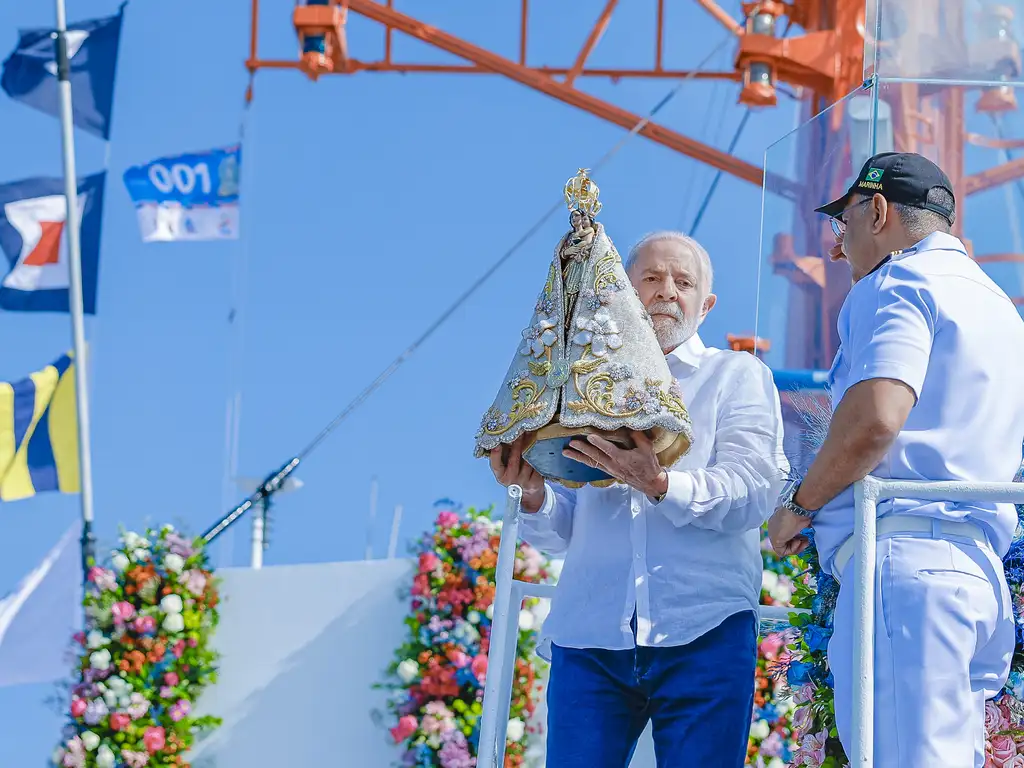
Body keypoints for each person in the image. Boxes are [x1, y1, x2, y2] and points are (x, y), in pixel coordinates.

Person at [489, 231, 788, 767]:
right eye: (650, 278)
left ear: (706, 304)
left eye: (683, 281)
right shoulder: (581, 388)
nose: (666, 291)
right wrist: (532, 496)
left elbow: (754, 491)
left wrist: (661, 485)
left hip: (705, 629)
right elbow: (563, 530)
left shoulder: (737, 375)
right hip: (590, 635)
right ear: (623, 292)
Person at [767, 152, 1024, 767]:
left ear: (877, 209)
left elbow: (876, 418)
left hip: (906, 564)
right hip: (977, 573)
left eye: (843, 223)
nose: (838, 245)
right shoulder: (1001, 309)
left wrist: (799, 506)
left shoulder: (897, 282)